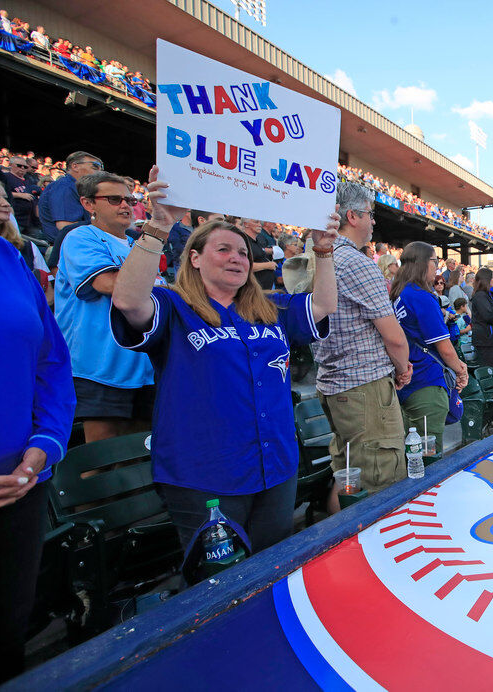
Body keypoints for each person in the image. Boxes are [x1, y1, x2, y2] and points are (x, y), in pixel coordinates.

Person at [109, 165, 338, 553]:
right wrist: (159, 226)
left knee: (269, 572)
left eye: (243, 253)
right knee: (216, 584)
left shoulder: (270, 307)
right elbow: (128, 300)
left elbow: (323, 304)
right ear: (194, 258)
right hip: (206, 475)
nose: (238, 258)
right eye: (223, 249)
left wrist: (323, 249)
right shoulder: (175, 305)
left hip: (275, 467)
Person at [0, 227, 74, 685]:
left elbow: (50, 361)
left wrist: (44, 443)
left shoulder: (8, 255)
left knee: (8, 630)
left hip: (19, 481)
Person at [313, 182, 412, 500]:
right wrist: (402, 369)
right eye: (370, 214)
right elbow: (394, 338)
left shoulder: (321, 257)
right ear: (352, 216)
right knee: (379, 484)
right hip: (364, 388)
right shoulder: (356, 263)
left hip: (333, 385)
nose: (373, 222)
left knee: (345, 476)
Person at [55, 172, 157, 443]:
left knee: (137, 453)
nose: (125, 205)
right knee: (100, 461)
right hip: (98, 365)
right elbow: (108, 284)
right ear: (88, 204)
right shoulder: (81, 237)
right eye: (114, 199)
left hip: (142, 364)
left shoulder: (139, 245)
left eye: (129, 199)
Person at [391, 242, 469, 457]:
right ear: (422, 263)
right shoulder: (421, 296)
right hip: (425, 383)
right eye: (435, 261)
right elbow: (444, 348)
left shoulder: (401, 293)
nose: (437, 267)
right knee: (428, 459)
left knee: (413, 454)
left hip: (406, 381)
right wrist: (461, 371)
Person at [38, 150, 101, 243]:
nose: (99, 172)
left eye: (101, 168)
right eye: (95, 166)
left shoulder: (75, 187)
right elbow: (65, 226)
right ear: (75, 166)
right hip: (69, 246)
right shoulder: (65, 187)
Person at [238, 217, 277, 290]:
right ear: (246, 224)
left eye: (260, 222)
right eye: (256, 222)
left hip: (264, 288)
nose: (259, 225)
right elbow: (244, 265)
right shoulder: (243, 241)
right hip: (253, 290)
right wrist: (268, 265)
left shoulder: (257, 241)